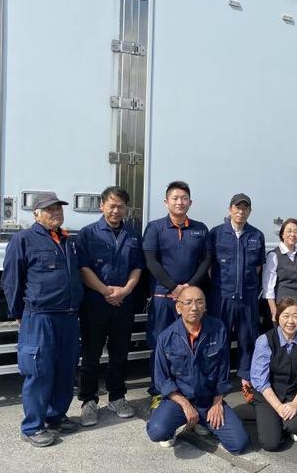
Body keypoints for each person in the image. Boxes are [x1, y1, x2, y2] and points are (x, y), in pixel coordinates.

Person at [1, 192, 83, 447]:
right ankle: (32, 426)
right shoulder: (23, 239)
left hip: (68, 317)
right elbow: (11, 280)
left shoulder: (67, 240)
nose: (56, 213)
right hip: (40, 318)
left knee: (65, 370)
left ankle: (55, 416)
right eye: (50, 210)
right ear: (36, 214)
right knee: (38, 372)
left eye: (59, 209)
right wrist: (18, 314)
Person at [146, 286, 249, 454]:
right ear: (178, 307)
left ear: (205, 306)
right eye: (188, 302)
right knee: (157, 431)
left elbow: (223, 371)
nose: (194, 307)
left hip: (209, 401)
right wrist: (185, 405)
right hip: (179, 402)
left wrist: (217, 403)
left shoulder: (218, 329)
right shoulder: (166, 337)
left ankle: (203, 422)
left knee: (239, 444)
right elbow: (162, 379)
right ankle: (173, 425)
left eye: (199, 302)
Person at [76, 186, 144, 426]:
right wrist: (105, 291)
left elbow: (137, 267)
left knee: (120, 353)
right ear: (102, 206)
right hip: (95, 303)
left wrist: (125, 290)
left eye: (121, 206)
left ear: (126, 209)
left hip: (123, 304)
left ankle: (117, 397)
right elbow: (83, 268)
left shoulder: (133, 235)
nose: (116, 211)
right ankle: (88, 401)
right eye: (112, 206)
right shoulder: (87, 233)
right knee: (91, 355)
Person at [142, 181, 210, 408]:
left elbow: (206, 261)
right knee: (160, 345)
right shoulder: (155, 228)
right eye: (175, 198)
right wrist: (174, 287)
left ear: (190, 202)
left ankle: (188, 392)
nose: (180, 202)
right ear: (166, 202)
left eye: (184, 198)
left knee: (191, 345)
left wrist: (188, 288)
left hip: (190, 302)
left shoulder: (200, 229)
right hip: (164, 299)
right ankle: (158, 392)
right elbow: (151, 261)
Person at [207, 193, 266, 402]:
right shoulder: (216, 233)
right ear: (230, 209)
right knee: (220, 339)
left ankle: (245, 379)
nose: (241, 211)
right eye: (237, 207)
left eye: (245, 208)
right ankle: (220, 381)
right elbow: (209, 266)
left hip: (247, 297)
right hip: (222, 296)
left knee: (247, 339)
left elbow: (258, 266)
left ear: (249, 211)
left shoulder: (256, 235)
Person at [250, 297, 297, 451]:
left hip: (292, 395)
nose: (290, 321)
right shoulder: (264, 341)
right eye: (286, 316)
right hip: (268, 396)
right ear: (278, 317)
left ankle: (286, 422)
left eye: (296, 316)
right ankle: (266, 416)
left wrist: (295, 404)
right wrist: (278, 408)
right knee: (270, 444)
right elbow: (260, 381)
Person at [261, 218, 297, 322]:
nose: (293, 234)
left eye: (296, 231)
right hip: (282, 307)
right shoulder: (273, 255)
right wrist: (274, 311)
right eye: (289, 231)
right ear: (282, 234)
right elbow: (268, 288)